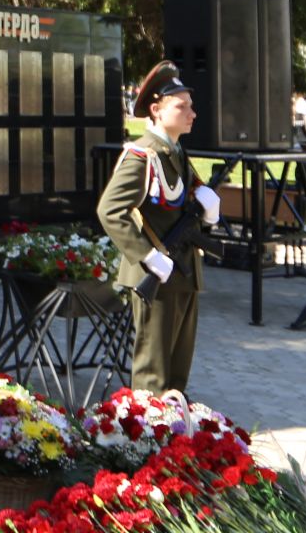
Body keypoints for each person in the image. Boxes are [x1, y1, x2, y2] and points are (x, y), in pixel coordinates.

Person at [97, 60, 221, 396]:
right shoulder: (144, 155)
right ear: (156, 109)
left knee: (178, 371)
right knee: (153, 372)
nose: (191, 113)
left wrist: (209, 212)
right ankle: (145, 439)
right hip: (158, 273)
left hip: (183, 270)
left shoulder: (176, 152)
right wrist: (146, 256)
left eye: (191, 106)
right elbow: (109, 210)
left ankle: (173, 435)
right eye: (182, 107)